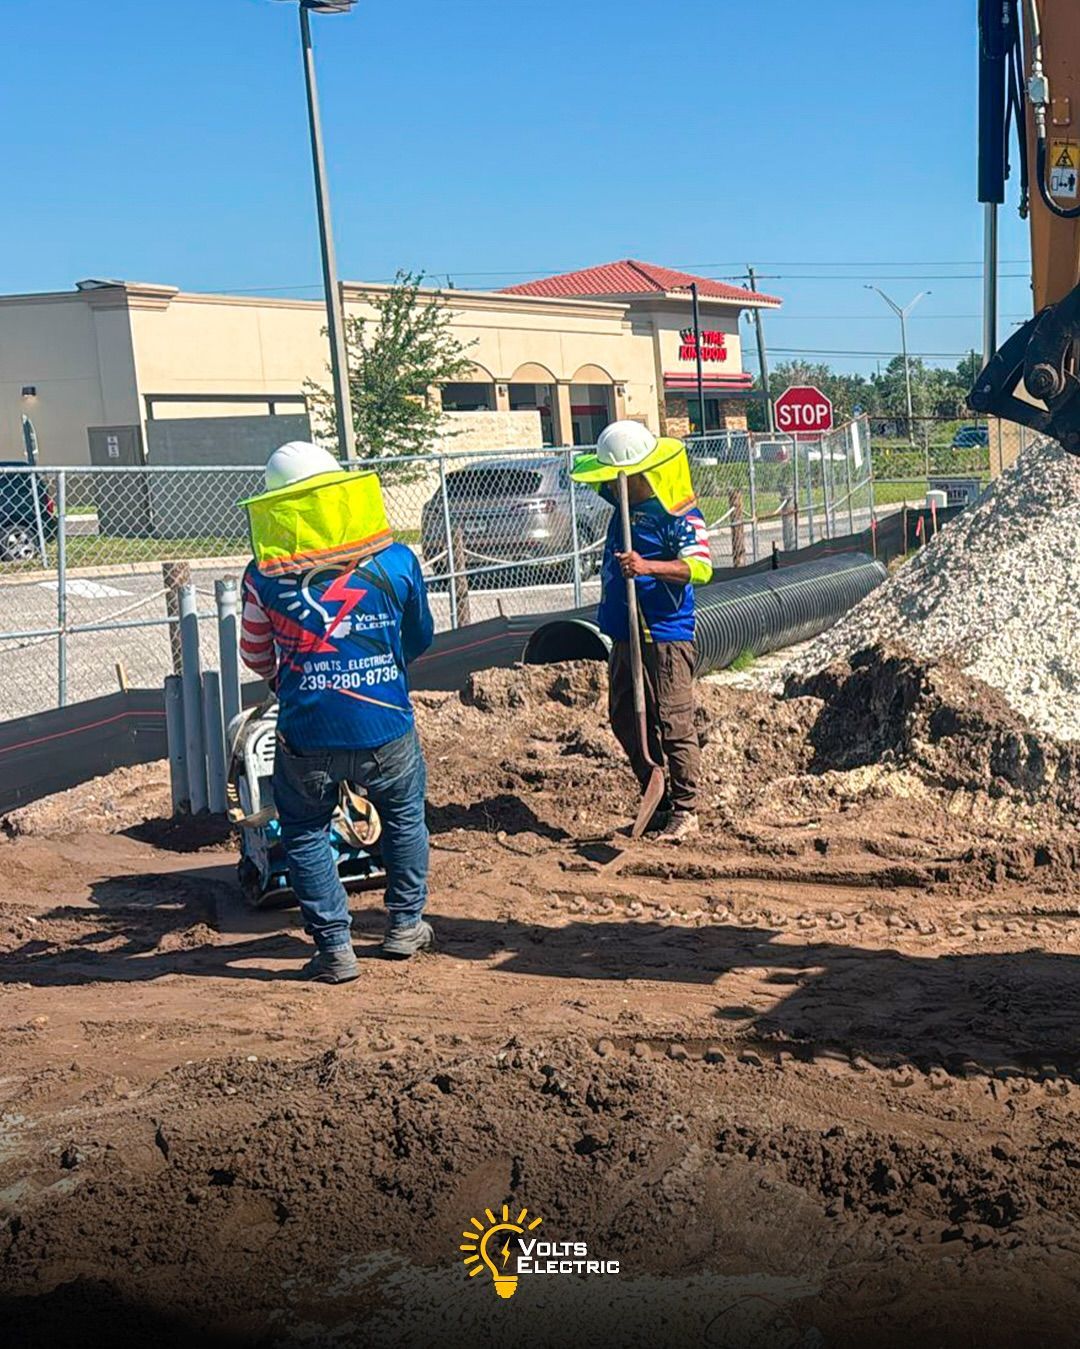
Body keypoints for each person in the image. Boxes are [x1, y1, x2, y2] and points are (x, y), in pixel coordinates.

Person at [239, 441, 435, 983]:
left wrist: (296, 682)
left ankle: (334, 949)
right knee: (403, 816)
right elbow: (418, 637)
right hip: (385, 724)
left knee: (303, 829)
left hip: (308, 731)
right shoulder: (397, 562)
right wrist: (376, 670)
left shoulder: (262, 575)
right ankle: (404, 925)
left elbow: (255, 653)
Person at [571, 421, 713, 841]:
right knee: (625, 717)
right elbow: (587, 475)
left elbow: (700, 568)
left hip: (666, 635)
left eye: (618, 480)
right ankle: (657, 795)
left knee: (674, 722)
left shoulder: (679, 515)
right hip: (624, 633)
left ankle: (686, 810)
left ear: (638, 475)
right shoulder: (620, 504)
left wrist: (647, 566)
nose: (611, 489)